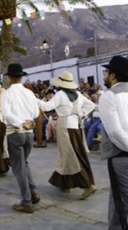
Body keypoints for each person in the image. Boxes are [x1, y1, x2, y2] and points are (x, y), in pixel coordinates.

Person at [37, 70, 97, 200]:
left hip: (64, 125)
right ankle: (66, 184)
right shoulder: (78, 94)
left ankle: (87, 185)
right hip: (76, 126)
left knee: (70, 155)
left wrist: (34, 101)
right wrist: (81, 114)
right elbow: (91, 105)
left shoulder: (60, 94)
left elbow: (47, 107)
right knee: (74, 153)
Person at [0, 63, 40, 213]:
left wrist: (21, 123)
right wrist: (27, 122)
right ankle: (33, 191)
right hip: (28, 133)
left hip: (15, 132)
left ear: (10, 78)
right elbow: (36, 112)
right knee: (25, 163)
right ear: (20, 77)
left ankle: (26, 201)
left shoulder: (7, 94)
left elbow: (7, 114)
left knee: (19, 168)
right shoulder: (29, 93)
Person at [98, 56, 128, 230]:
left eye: (106, 72)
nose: (105, 75)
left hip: (121, 156)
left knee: (123, 201)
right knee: (117, 197)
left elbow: (115, 132)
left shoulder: (109, 96)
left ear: (113, 75)